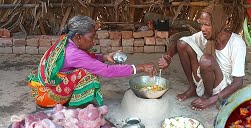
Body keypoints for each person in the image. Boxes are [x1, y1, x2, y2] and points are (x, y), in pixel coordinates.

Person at [27, 15, 157, 108]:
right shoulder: (74, 54)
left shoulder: (66, 40)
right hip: (47, 96)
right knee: (88, 75)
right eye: (92, 37)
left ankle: (67, 98)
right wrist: (140, 67)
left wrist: (105, 57)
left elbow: (87, 58)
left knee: (86, 69)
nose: (93, 41)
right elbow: (106, 71)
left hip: (41, 88)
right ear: (78, 36)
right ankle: (71, 104)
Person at [158, 2, 246, 111]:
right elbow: (179, 43)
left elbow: (238, 82)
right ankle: (193, 88)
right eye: (201, 24)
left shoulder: (237, 43)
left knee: (206, 60)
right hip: (205, 78)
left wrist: (211, 101)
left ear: (220, 23)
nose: (203, 28)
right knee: (183, 44)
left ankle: (207, 96)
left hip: (221, 85)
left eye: (207, 25)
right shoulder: (205, 35)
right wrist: (168, 57)